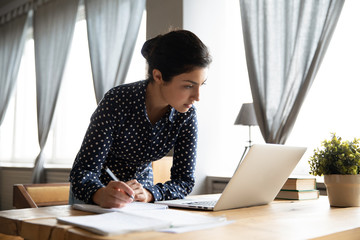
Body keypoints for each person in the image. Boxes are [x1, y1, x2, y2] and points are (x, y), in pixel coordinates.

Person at [69, 29, 212, 208]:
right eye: (188, 86)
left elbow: (184, 181)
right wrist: (100, 194)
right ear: (158, 76)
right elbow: (83, 172)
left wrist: (150, 193)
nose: (197, 96)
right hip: (94, 200)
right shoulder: (117, 101)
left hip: (141, 204)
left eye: (201, 85)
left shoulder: (186, 115)